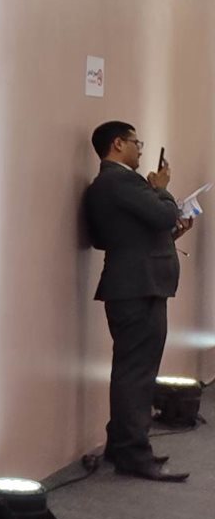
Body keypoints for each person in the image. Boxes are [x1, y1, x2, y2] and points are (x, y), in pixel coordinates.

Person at [82, 121, 194, 481]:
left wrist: (170, 230)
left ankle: (122, 445)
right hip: (139, 287)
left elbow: (106, 237)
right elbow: (163, 213)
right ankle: (133, 453)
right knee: (137, 373)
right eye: (136, 142)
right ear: (118, 144)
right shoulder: (121, 181)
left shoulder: (104, 185)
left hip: (131, 285)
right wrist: (162, 190)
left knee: (132, 370)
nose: (141, 149)